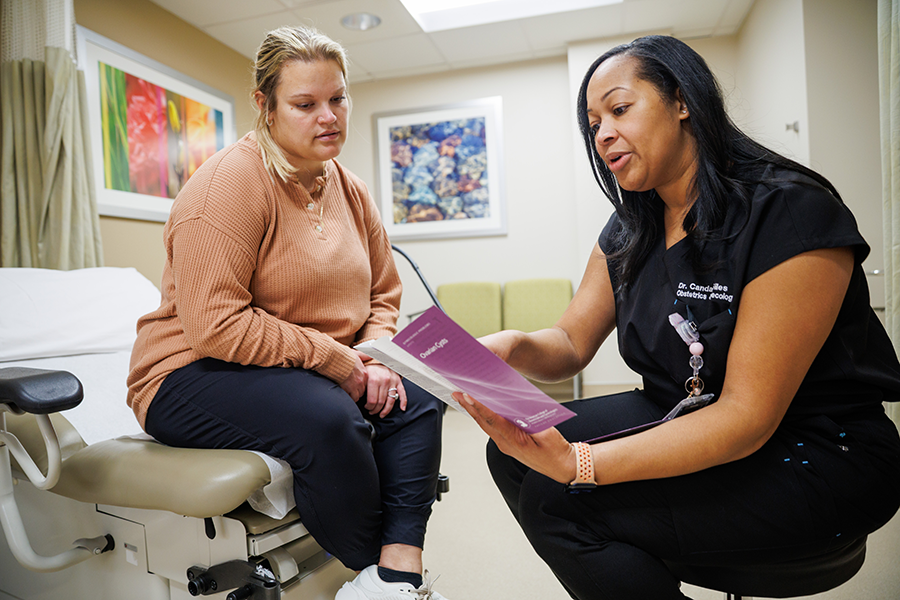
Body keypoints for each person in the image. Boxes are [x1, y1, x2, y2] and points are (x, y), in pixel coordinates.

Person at [455, 34, 900, 599]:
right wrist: (515, 344)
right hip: (684, 409)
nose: (603, 134)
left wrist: (581, 463)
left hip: (813, 452)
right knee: (514, 456)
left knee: (560, 498)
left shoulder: (787, 210)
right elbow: (570, 341)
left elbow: (747, 416)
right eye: (592, 124)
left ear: (682, 100)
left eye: (619, 109)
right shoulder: (629, 228)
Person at [126, 25, 449, 600]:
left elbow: (383, 292)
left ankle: (398, 572)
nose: (328, 116)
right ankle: (363, 566)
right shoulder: (230, 185)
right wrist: (340, 364)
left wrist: (374, 357)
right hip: (187, 372)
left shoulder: (349, 189)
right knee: (330, 420)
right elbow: (216, 324)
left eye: (338, 99)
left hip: (297, 364)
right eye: (305, 104)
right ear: (265, 106)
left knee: (417, 396)